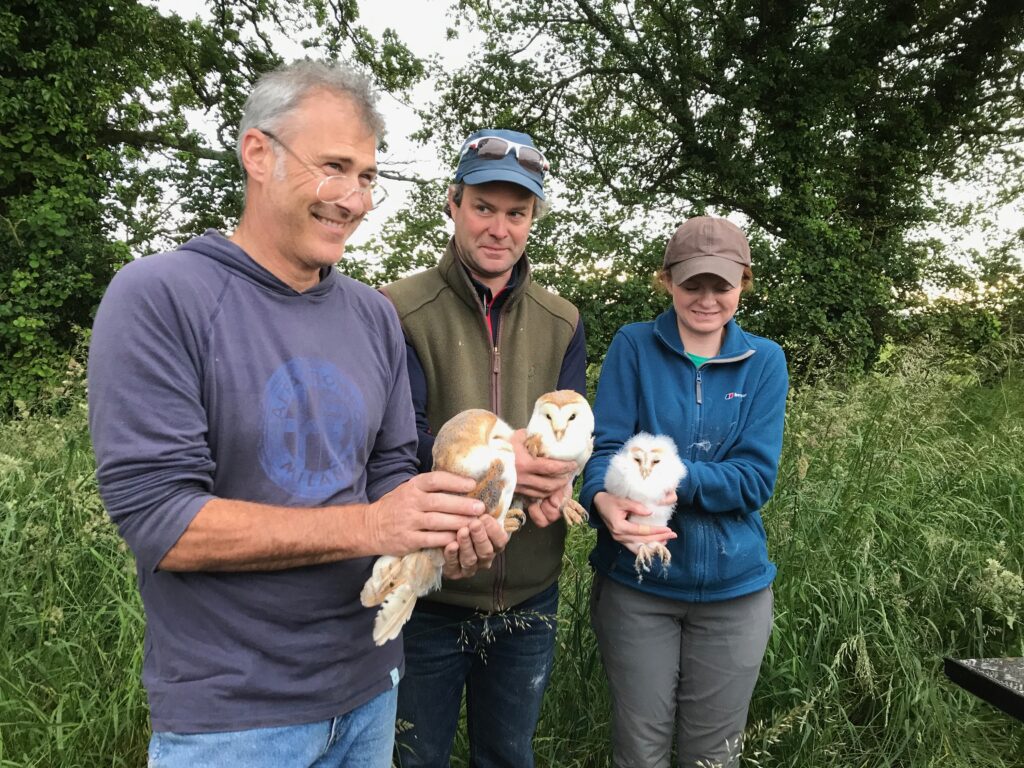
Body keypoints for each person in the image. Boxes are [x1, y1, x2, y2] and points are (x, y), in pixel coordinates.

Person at [87, 60, 507, 768]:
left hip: (371, 686)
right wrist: (374, 525)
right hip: (233, 719)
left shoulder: (373, 316)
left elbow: (390, 474)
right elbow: (162, 522)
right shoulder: (160, 297)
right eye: (335, 167)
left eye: (369, 176)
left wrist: (438, 538)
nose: (355, 198)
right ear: (258, 153)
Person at [381, 129, 588, 768]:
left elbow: (572, 428)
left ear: (533, 220)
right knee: (417, 757)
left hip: (529, 588)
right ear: (452, 203)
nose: (500, 228)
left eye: (517, 213)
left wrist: (559, 484)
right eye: (484, 207)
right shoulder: (397, 308)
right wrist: (504, 468)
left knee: (508, 755)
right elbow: (395, 442)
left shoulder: (563, 319)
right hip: (432, 592)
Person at [579, 216, 788, 768]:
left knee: (714, 756)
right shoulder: (633, 346)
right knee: (639, 749)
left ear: (743, 283)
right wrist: (602, 502)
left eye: (722, 285)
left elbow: (754, 479)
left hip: (734, 593)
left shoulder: (764, 361)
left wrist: (667, 473)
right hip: (638, 586)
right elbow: (604, 451)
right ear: (667, 281)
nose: (706, 298)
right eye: (692, 283)